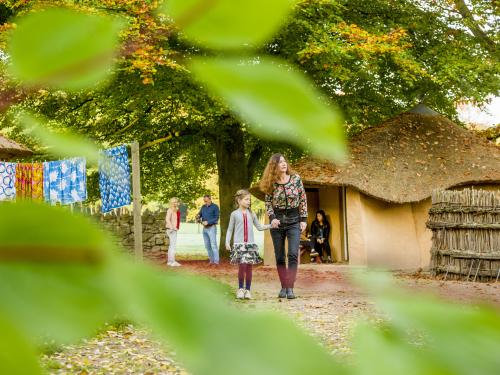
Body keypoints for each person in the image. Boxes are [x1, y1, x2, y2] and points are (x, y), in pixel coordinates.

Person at [260, 153, 307, 299]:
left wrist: (303, 219)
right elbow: (268, 203)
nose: (284, 164)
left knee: (293, 254)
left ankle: (290, 287)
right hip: (277, 222)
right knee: (280, 257)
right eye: (280, 162)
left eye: (284, 161)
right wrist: (272, 218)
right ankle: (283, 286)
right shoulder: (271, 183)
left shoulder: (296, 179)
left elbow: (303, 199)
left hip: (294, 220)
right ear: (274, 166)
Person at [226, 189, 271, 299]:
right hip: (239, 245)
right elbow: (230, 229)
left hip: (250, 245)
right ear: (239, 200)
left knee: (249, 268)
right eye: (246, 199)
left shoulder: (252, 213)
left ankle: (248, 290)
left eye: (249, 200)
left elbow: (259, 227)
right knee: (242, 267)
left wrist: (271, 225)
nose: (248, 202)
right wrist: (227, 241)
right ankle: (240, 289)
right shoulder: (234, 214)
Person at [197, 194, 220, 265]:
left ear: (210, 199)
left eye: (206, 201)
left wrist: (208, 222)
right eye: (204, 201)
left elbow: (216, 218)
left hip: (212, 228)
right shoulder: (203, 207)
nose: (205, 202)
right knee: (207, 245)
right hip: (204, 229)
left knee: (213, 245)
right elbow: (199, 214)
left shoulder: (215, 207)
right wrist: (197, 217)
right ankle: (211, 260)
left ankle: (216, 262)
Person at [165, 197, 181, 267]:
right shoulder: (170, 210)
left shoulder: (176, 210)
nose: (175, 203)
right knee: (173, 246)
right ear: (171, 203)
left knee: (171, 246)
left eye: (176, 202)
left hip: (174, 229)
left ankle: (170, 261)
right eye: (174, 202)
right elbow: (167, 219)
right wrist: (172, 227)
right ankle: (172, 262)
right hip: (171, 230)